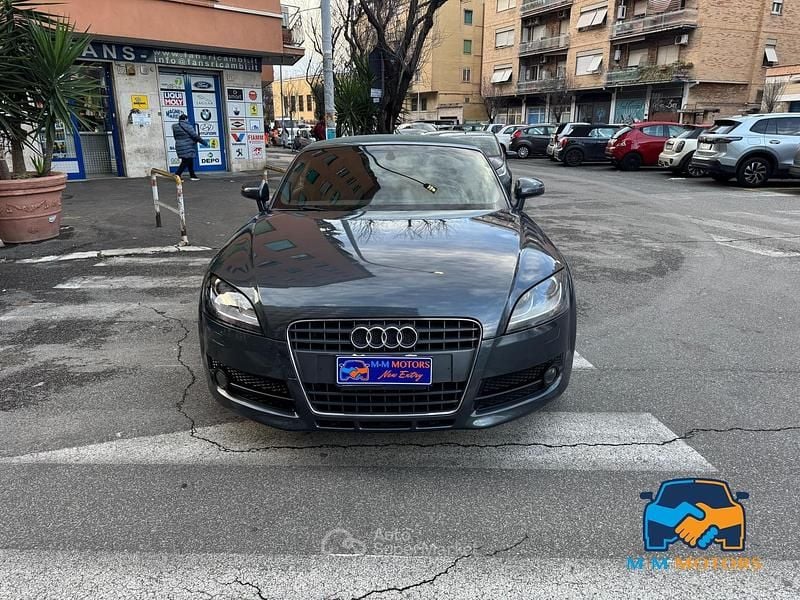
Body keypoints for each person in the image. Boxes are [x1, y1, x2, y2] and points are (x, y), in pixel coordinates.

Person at [172, 114, 207, 181]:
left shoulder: (175, 127)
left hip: (179, 145)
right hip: (187, 146)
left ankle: (192, 175)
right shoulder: (188, 126)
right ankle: (177, 175)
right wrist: (203, 142)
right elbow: (195, 136)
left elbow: (175, 137)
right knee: (185, 161)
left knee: (189, 160)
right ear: (185, 119)